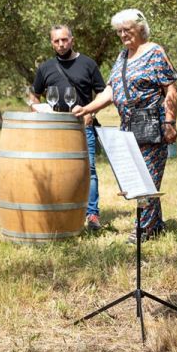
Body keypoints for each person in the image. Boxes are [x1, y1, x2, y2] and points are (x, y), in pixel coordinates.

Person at [74, 8, 177, 244]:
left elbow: (170, 89)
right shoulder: (122, 57)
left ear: (141, 28)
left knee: (147, 180)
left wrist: (170, 122)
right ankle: (156, 225)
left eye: (127, 30)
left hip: (152, 124)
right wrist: (88, 109)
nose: (122, 35)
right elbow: (111, 91)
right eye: (119, 31)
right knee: (137, 178)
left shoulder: (154, 52)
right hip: (128, 127)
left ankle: (142, 229)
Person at [30, 24, 107, 230]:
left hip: (82, 126)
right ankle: (59, 210)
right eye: (56, 41)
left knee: (88, 170)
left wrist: (91, 112)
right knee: (53, 169)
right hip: (53, 128)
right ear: (52, 43)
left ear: (72, 40)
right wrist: (35, 108)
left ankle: (92, 215)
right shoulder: (45, 67)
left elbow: (102, 92)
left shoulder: (88, 64)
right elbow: (34, 94)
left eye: (64, 40)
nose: (61, 44)